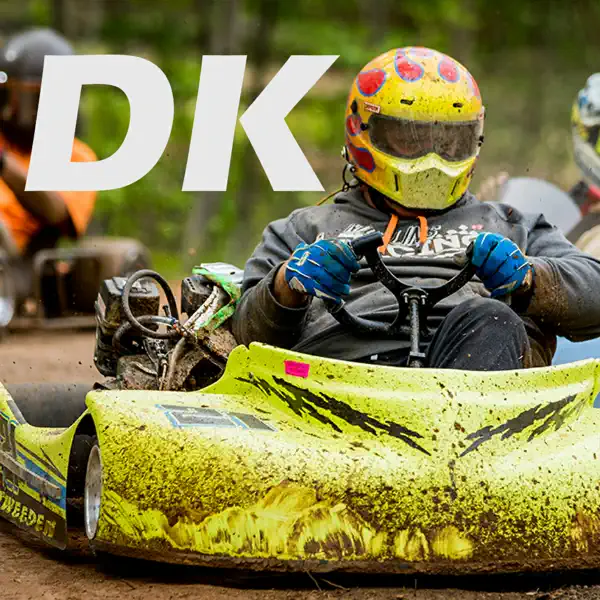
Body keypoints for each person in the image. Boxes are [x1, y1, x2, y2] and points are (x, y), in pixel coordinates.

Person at [232, 47, 600, 371]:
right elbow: (243, 334)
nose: (432, 157)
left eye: (450, 141)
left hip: (477, 381)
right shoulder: (304, 228)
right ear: (363, 131)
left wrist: (530, 278)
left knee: (491, 318)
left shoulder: (510, 224)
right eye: (410, 138)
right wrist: (287, 285)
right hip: (338, 375)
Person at [0, 28, 97, 258]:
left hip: (18, 262)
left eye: (26, 100)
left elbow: (57, 213)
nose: (12, 111)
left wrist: (3, 162)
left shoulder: (78, 157)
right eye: (8, 97)